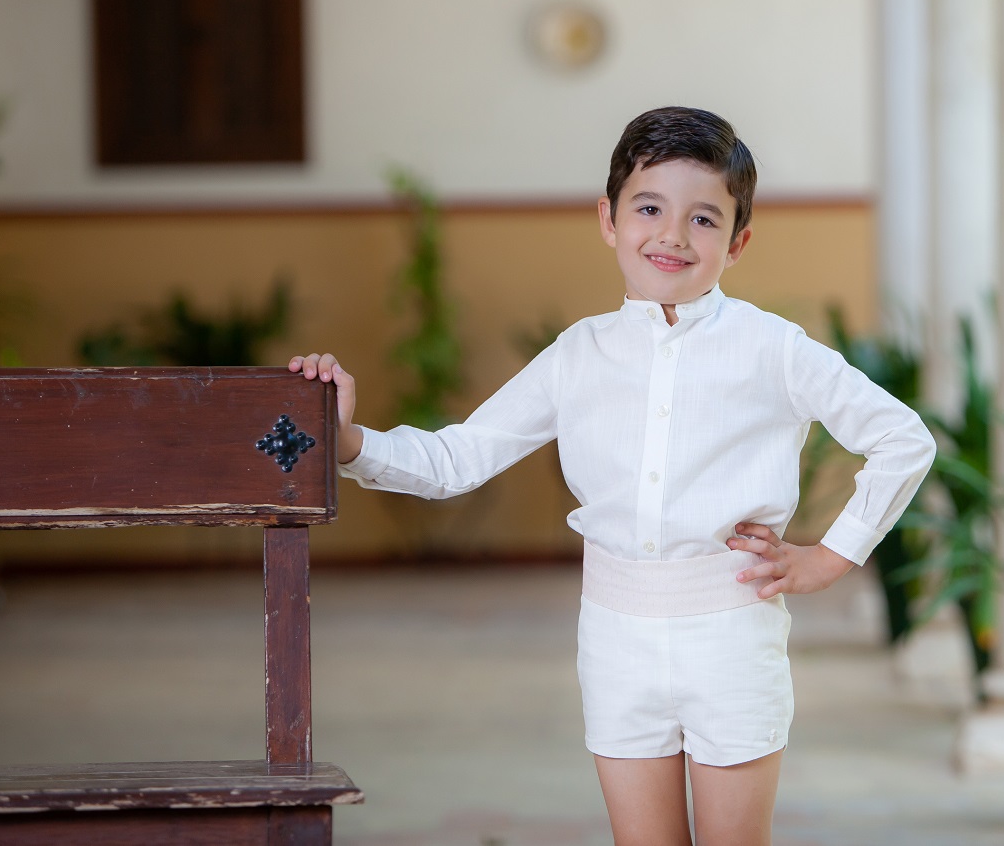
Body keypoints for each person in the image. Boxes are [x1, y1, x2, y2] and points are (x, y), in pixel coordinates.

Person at [290, 106, 936, 845]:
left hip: (731, 636)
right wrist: (347, 440)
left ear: (738, 241)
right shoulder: (577, 355)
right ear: (608, 218)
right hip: (614, 639)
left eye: (703, 219)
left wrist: (831, 557)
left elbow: (901, 438)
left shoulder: (774, 349)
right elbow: (457, 459)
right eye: (649, 208)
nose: (672, 235)